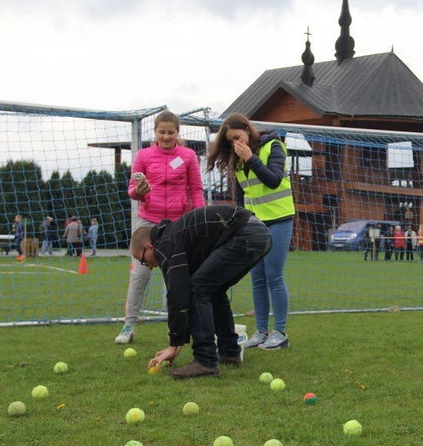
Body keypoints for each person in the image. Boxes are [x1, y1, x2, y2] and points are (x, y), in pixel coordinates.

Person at [136, 205, 272, 379]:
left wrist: (174, 343)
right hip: (259, 234)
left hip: (245, 233)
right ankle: (229, 351)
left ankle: (205, 360)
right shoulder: (172, 236)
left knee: (197, 288)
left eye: (142, 260)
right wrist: (178, 342)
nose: (147, 265)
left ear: (149, 247)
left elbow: (178, 293)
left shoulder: (165, 244)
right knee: (213, 290)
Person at [115, 110, 205, 344]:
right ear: (155, 132)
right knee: (140, 274)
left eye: (171, 132)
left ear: (177, 133)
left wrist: (199, 217)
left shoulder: (188, 156)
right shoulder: (143, 156)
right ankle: (129, 325)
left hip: (178, 223)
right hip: (148, 223)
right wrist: (139, 191)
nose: (166, 136)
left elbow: (195, 189)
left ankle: (176, 328)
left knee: (176, 276)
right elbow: (132, 191)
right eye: (162, 132)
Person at [206, 113, 295, 351]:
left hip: (279, 218)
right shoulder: (238, 158)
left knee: (274, 276)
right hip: (254, 224)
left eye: (238, 137)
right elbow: (242, 195)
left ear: (248, 129)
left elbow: (274, 180)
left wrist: (251, 157)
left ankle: (280, 333)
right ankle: (261, 331)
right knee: (257, 278)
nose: (236, 143)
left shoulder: (274, 146)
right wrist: (239, 222)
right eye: (231, 142)